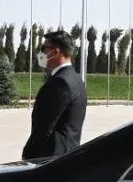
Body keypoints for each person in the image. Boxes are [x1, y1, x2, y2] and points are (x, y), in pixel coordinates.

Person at [22, 30, 87, 160]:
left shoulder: (60, 82)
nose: (41, 54)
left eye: (44, 49)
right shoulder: (76, 79)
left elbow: (44, 126)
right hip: (68, 154)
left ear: (56, 52)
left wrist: (28, 154)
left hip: (52, 158)